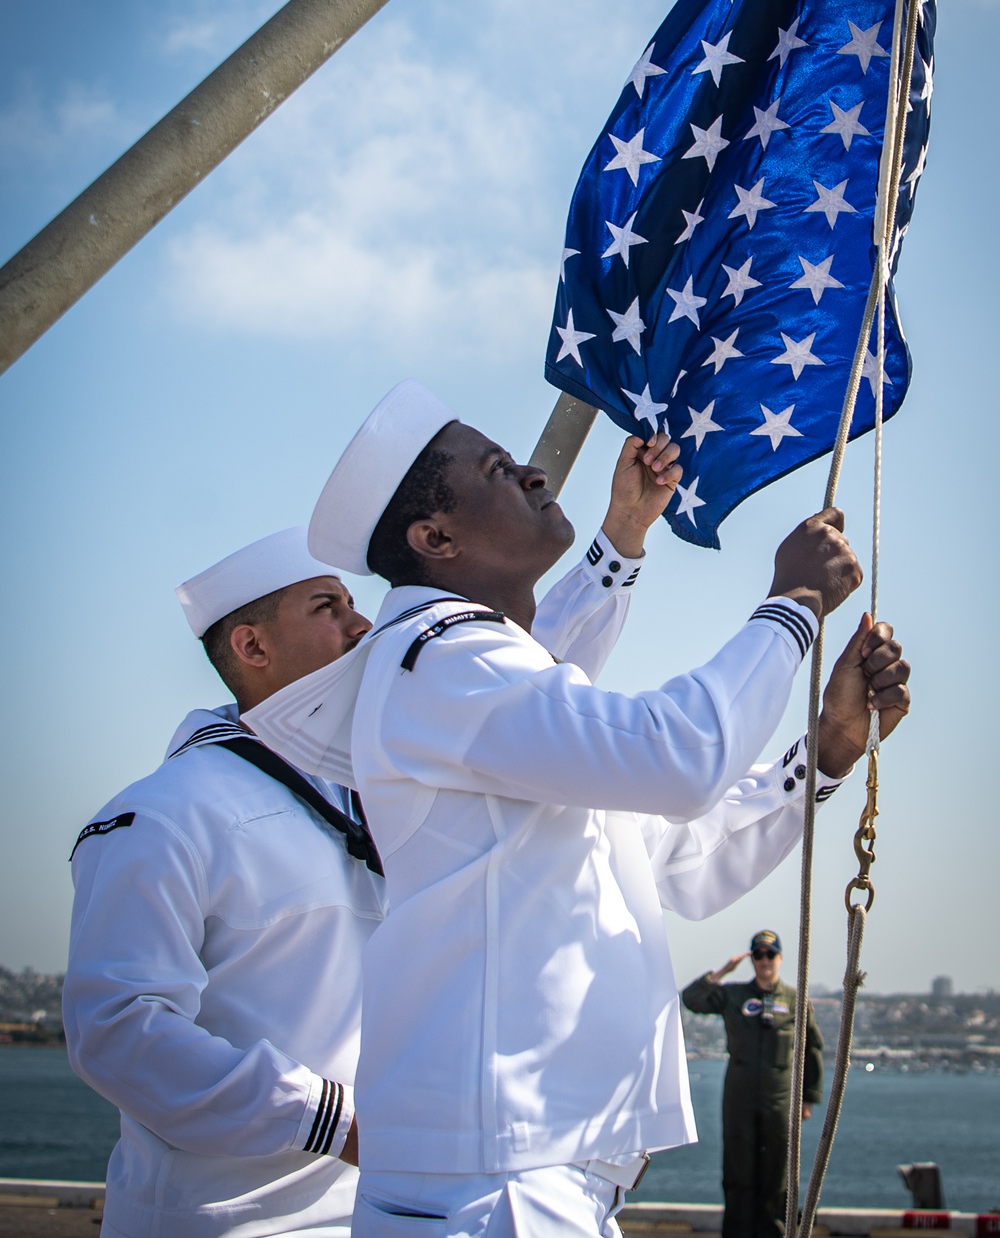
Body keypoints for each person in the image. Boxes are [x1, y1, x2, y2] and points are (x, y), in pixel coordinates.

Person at [242, 380, 911, 1238]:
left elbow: (682, 862)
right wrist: (792, 608)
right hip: (500, 1188)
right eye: (497, 469)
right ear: (434, 538)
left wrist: (821, 758)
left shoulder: (467, 673)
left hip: (527, 1176)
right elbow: (675, 756)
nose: (531, 474)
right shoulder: (438, 657)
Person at [63, 494, 653, 1238]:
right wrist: (333, 1119)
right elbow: (118, 1030)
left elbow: (521, 690)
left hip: (388, 1212)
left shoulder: (375, 775)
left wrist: (619, 545)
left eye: (352, 602)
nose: (362, 624)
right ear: (252, 648)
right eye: (328, 607)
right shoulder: (161, 816)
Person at [683, 930, 823, 1238]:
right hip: (740, 1094)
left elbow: (811, 1048)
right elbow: (691, 999)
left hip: (780, 1095)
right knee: (738, 1170)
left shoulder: (795, 999)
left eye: (770, 954)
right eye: (758, 955)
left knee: (778, 1172)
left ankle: (776, 1233)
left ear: (780, 958)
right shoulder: (733, 995)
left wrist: (808, 1098)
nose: (764, 961)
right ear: (752, 959)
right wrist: (722, 972)